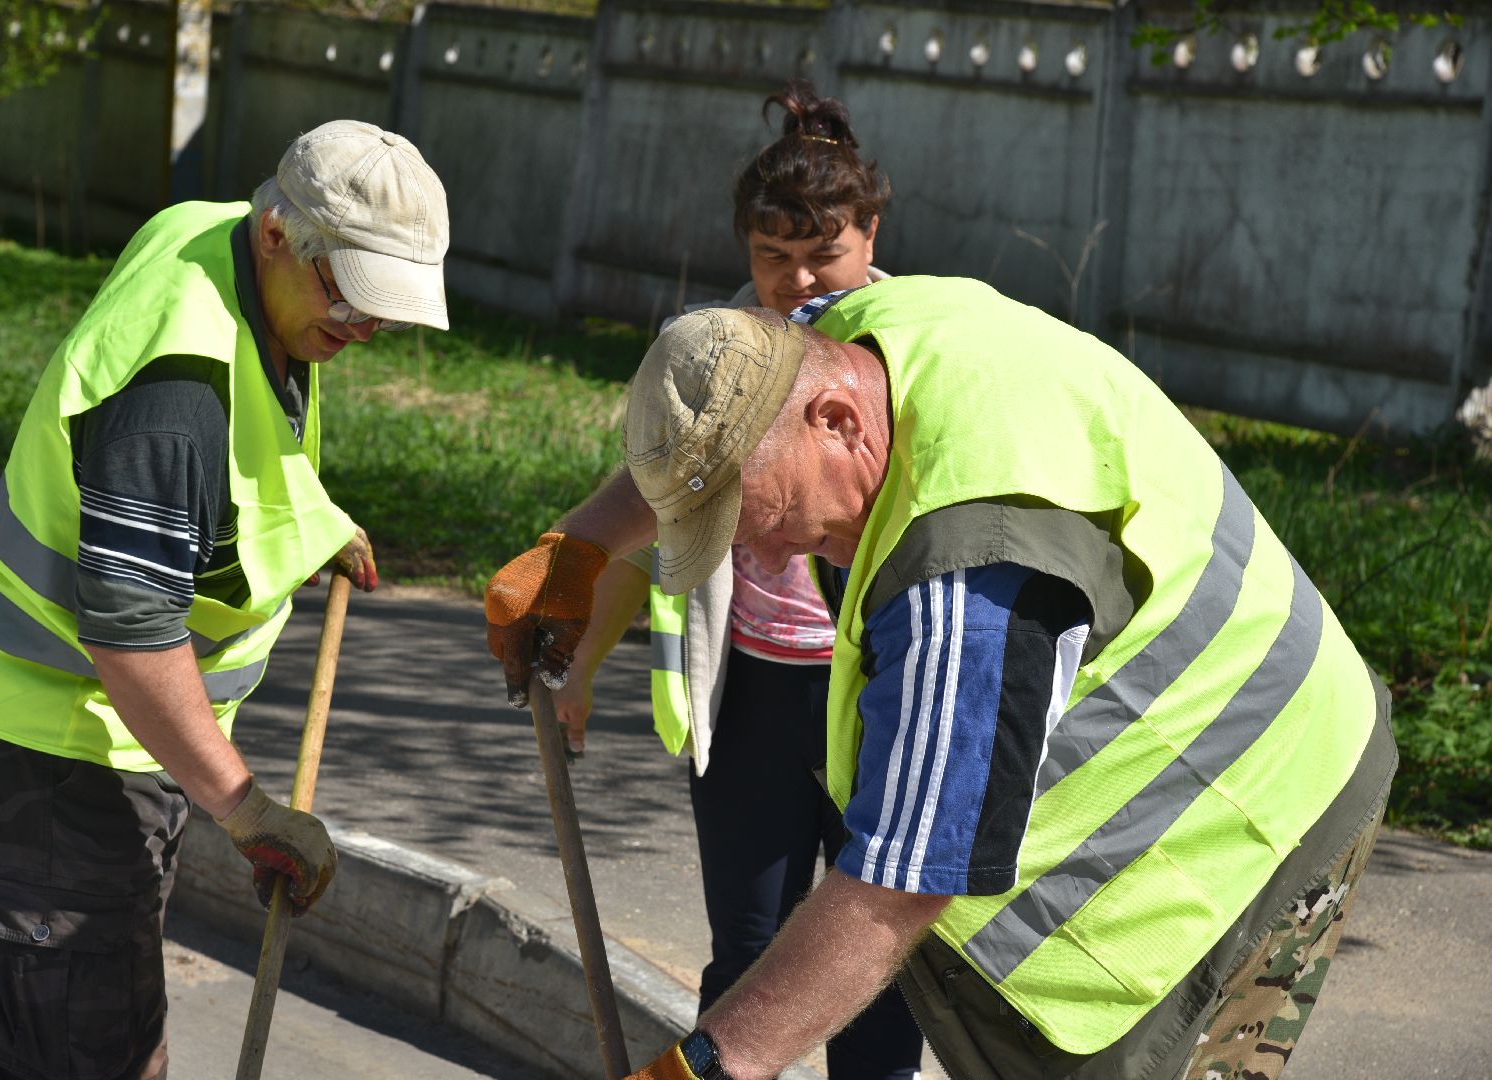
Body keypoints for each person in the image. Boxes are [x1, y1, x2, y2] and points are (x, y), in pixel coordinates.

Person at [485, 277, 1395, 1080]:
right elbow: (716, 418)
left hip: (1256, 815)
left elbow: (904, 879)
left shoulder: (966, 575)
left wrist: (711, 1068)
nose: (763, 554)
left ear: (838, 423)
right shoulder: (839, 337)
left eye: (764, 517)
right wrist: (583, 545)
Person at [0, 118, 450, 1080]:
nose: (366, 326)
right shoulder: (176, 393)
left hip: (95, 748)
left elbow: (231, 472)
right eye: (351, 293)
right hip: (50, 758)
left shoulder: (212, 233)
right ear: (279, 232)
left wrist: (315, 522)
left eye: (388, 306)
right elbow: (130, 630)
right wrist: (245, 809)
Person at [550, 79, 921, 1079]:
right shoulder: (713, 358)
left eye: (822, 257)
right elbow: (650, 522)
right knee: (748, 954)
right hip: (750, 691)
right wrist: (582, 655)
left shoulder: (903, 354)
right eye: (772, 258)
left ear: (871, 232)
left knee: (876, 959)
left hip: (878, 696)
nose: (797, 283)